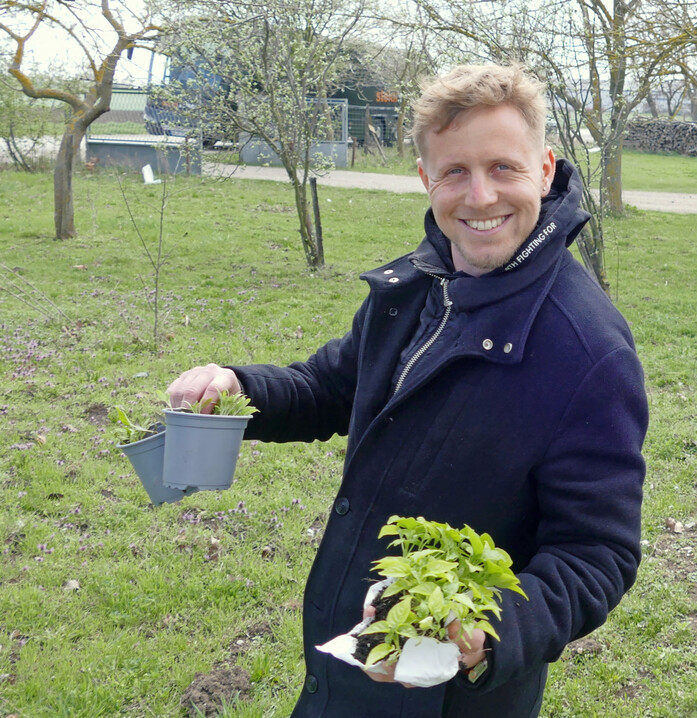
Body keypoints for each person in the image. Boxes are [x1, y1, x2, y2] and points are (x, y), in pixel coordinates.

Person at [167, 64, 648, 718]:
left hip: (450, 694)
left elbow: (597, 554)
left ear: (544, 168)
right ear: (425, 179)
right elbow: (329, 386)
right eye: (454, 172)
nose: (478, 197)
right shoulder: (419, 287)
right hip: (348, 660)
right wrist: (239, 385)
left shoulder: (588, 350)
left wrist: (488, 629)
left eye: (503, 168)